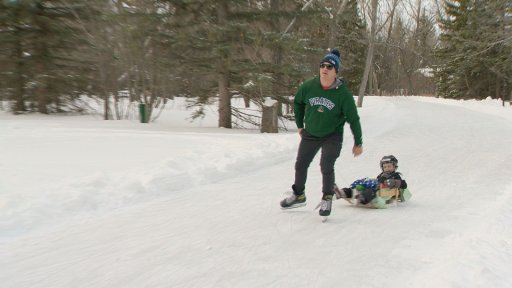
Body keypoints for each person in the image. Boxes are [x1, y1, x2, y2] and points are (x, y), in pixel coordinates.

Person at [280, 48, 363, 217]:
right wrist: (300, 124)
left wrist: (358, 142)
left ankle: (327, 197)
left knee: (326, 166)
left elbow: (353, 118)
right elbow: (298, 102)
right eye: (322, 65)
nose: (325, 69)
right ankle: (298, 195)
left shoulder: (343, 94)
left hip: (332, 134)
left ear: (336, 72)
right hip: (310, 133)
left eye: (330, 67)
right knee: (301, 164)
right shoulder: (309, 86)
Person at [335, 155, 410, 208]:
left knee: (370, 191)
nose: (387, 168)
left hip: (382, 191)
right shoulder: (381, 175)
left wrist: (394, 182)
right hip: (376, 186)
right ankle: (343, 192)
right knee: (359, 187)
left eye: (389, 166)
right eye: (385, 167)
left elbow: (404, 185)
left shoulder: (395, 175)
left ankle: (362, 198)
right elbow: (378, 180)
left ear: (394, 167)